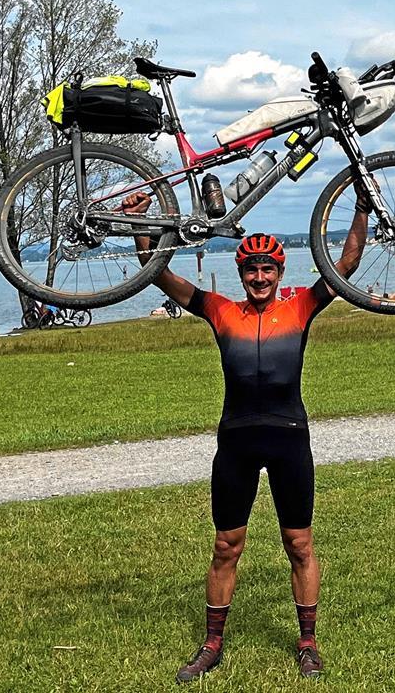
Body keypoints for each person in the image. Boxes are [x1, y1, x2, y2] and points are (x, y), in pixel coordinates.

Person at [121, 187, 371, 683]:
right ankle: (212, 643)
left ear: (280, 274)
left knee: (299, 543)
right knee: (226, 545)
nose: (259, 277)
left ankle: (308, 643)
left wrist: (361, 205)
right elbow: (161, 276)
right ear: (241, 274)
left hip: (288, 439)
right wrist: (141, 226)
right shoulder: (220, 311)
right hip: (235, 440)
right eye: (251, 270)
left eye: (268, 269)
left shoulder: (300, 307)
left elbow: (349, 260)